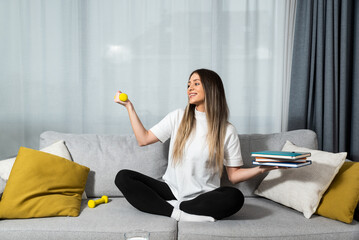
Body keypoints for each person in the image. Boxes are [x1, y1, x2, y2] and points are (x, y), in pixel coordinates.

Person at [114, 69, 278, 222]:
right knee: (123, 177)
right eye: (188, 84)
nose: (190, 88)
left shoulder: (227, 130)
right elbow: (143, 139)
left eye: (196, 83)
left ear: (211, 88)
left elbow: (234, 176)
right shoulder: (178, 117)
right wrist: (129, 107)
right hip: (172, 190)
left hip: (204, 195)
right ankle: (178, 213)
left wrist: (262, 168)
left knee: (235, 197)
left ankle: (176, 207)